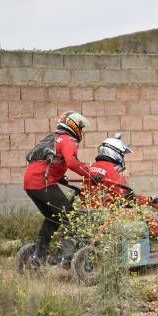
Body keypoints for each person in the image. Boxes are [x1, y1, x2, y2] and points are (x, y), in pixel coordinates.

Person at [23, 110, 94, 265]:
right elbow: (72, 163)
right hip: (42, 182)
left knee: (53, 218)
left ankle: (38, 256)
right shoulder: (68, 140)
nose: (81, 131)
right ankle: (64, 256)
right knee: (71, 217)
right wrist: (90, 174)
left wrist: (61, 178)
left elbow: (47, 162)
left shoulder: (52, 139)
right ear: (73, 126)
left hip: (30, 184)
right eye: (80, 127)